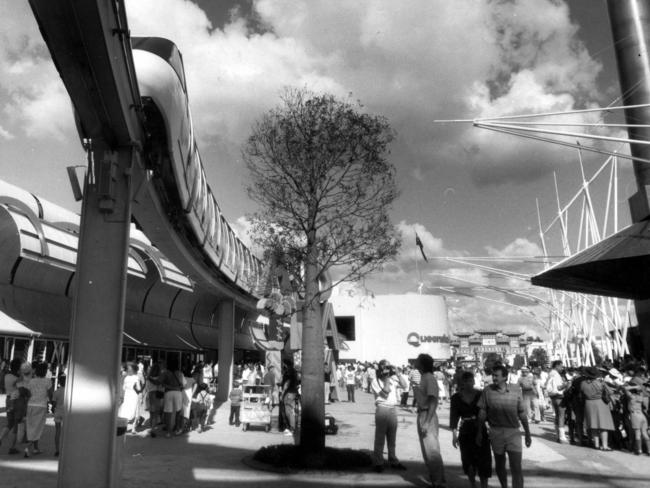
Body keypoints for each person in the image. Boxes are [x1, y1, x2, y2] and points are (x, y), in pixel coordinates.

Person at [476, 364, 531, 488]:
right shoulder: (487, 391)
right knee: (500, 465)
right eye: (493, 375)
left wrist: (527, 433)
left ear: (505, 377)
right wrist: (479, 432)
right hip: (496, 432)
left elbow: (522, 413)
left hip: (513, 433)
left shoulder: (516, 390)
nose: (494, 378)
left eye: (497, 376)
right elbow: (482, 412)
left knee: (516, 466)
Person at [451, 371, 491, 488]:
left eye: (470, 381)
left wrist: (482, 431)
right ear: (462, 383)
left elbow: (484, 414)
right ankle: (472, 484)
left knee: (484, 461)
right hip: (465, 430)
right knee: (468, 461)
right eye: (466, 381)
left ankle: (484, 486)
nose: (468, 383)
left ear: (474, 381)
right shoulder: (456, 398)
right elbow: (454, 418)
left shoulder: (480, 395)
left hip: (480, 429)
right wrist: (454, 435)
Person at [413, 353, 446, 488]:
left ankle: (439, 483)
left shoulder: (428, 378)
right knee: (427, 450)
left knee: (432, 451)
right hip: (423, 413)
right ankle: (435, 481)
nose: (415, 361)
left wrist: (427, 421)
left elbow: (433, 400)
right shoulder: (424, 377)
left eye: (417, 360)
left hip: (428, 415)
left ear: (422, 363)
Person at [370, 359, 408, 473]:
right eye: (385, 368)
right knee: (380, 438)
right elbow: (385, 393)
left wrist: (398, 373)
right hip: (382, 409)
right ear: (380, 369)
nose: (387, 370)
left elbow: (405, 385)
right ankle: (378, 463)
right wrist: (386, 378)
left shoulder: (392, 378)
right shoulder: (375, 381)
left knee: (392, 438)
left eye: (388, 368)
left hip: (392, 410)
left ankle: (393, 460)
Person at [580, 366, 615, 451]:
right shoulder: (599, 383)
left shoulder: (583, 383)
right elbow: (610, 392)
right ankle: (604, 445)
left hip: (589, 403)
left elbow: (582, 392)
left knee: (594, 425)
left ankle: (596, 444)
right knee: (603, 426)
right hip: (600, 403)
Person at [0, 358, 22, 454]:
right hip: (16, 401)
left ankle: (0, 438)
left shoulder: (7, 375)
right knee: (16, 424)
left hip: (8, 399)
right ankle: (12, 447)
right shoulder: (17, 379)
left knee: (10, 423)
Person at [623, 374, 649, 455]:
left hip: (635, 415)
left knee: (637, 433)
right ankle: (649, 450)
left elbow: (624, 388)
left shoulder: (631, 397)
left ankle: (639, 450)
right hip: (642, 416)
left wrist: (632, 387)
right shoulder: (641, 396)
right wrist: (638, 387)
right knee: (644, 433)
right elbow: (641, 388)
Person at [160, 356, 186, 437]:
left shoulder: (165, 372)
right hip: (178, 393)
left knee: (168, 412)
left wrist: (169, 386)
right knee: (178, 412)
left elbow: (161, 383)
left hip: (168, 393)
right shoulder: (180, 373)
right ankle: (177, 429)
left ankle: (168, 432)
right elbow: (184, 385)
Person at [545, 360, 569, 443]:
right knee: (561, 416)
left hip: (553, 397)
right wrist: (566, 384)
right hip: (559, 397)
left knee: (557, 416)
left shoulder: (550, 373)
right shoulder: (556, 375)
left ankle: (557, 435)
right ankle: (562, 437)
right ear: (557, 366)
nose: (562, 368)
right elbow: (559, 387)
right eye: (561, 366)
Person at [119, 362, 143, 434]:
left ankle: (125, 427)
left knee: (127, 410)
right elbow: (138, 388)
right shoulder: (136, 377)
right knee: (135, 410)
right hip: (134, 395)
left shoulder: (126, 378)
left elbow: (123, 388)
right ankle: (133, 428)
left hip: (127, 395)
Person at [281, 362, 299, 436]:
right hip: (293, 392)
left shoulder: (288, 373)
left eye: (283, 364)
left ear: (286, 365)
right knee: (290, 410)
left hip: (289, 393)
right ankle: (291, 428)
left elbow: (286, 384)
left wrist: (282, 393)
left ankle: (292, 429)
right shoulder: (294, 372)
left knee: (289, 411)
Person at [51, 375, 66, 456]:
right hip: (66, 412)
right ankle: (65, 449)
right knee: (66, 432)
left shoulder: (56, 392)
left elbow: (53, 404)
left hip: (58, 412)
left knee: (57, 432)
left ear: (59, 382)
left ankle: (57, 450)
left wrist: (53, 408)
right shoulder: (68, 391)